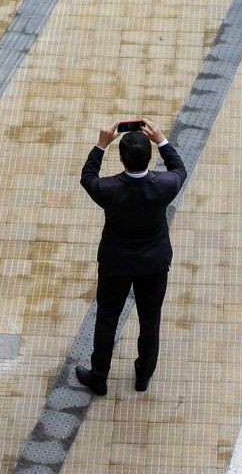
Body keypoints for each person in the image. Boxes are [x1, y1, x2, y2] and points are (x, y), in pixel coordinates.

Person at [76, 118, 187, 396]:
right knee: (150, 320)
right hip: (154, 264)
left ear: (122, 159)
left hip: (116, 264)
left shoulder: (109, 189)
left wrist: (101, 144)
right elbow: (179, 168)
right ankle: (143, 376)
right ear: (149, 157)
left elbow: (87, 177)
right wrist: (161, 140)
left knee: (107, 319)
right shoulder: (165, 185)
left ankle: (99, 376)